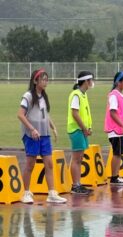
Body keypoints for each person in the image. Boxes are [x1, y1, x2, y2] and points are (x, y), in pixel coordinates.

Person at [17, 68, 67, 204]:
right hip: (32, 135)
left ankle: (52, 193)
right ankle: (26, 192)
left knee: (49, 164)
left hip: (45, 135)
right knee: (30, 165)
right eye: (43, 79)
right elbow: (20, 115)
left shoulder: (44, 96)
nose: (45, 82)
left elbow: (45, 114)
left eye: (46, 79)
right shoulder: (28, 96)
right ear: (35, 81)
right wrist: (32, 129)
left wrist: (53, 127)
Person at [67, 71, 94, 195]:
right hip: (77, 130)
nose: (92, 83)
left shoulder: (83, 94)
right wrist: (84, 128)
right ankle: (75, 185)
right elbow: (75, 113)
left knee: (79, 159)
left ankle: (78, 184)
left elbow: (85, 113)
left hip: (82, 130)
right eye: (90, 80)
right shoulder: (76, 95)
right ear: (86, 81)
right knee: (76, 159)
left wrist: (88, 127)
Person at [104, 71, 123, 185]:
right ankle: (114, 177)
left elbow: (122, 113)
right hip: (115, 130)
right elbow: (113, 113)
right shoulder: (114, 95)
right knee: (116, 154)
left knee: (119, 153)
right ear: (118, 82)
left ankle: (116, 175)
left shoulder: (121, 96)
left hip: (120, 130)